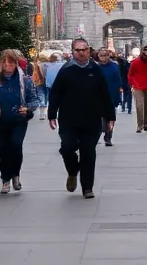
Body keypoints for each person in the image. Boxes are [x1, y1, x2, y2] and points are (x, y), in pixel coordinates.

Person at [47, 38, 115, 198]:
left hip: (91, 119)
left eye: (85, 49)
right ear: (73, 52)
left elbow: (105, 94)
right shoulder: (66, 70)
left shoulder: (95, 69)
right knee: (67, 148)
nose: (82, 53)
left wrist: (110, 116)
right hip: (69, 119)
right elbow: (55, 93)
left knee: (88, 152)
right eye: (78, 50)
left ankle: (87, 188)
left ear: (89, 51)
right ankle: (72, 171)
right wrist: (52, 114)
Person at [0, 48, 38, 194]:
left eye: (11, 61)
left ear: (16, 63)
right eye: (4, 61)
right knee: (3, 149)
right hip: (0, 121)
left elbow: (34, 100)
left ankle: (15, 174)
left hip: (18, 120)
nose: (7, 64)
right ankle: (5, 179)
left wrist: (27, 108)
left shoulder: (25, 80)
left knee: (16, 145)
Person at [96, 48, 123, 146]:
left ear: (109, 56)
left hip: (111, 95)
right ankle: (97, 134)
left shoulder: (114, 67)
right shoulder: (95, 67)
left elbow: (118, 81)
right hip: (97, 97)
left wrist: (118, 96)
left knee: (110, 118)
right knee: (98, 118)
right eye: (101, 55)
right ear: (98, 56)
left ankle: (108, 137)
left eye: (105, 55)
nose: (104, 57)